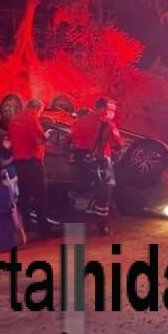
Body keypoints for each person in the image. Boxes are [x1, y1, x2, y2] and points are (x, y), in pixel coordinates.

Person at [70, 97, 124, 236]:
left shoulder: (79, 121)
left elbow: (71, 138)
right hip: (101, 162)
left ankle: (79, 221)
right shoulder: (107, 124)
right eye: (112, 110)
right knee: (104, 194)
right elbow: (117, 144)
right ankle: (102, 227)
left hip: (82, 161)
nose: (113, 113)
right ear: (104, 109)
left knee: (84, 190)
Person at [8, 98, 59, 235]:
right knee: (40, 193)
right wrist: (46, 135)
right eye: (40, 112)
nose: (40, 114)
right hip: (33, 161)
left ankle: (26, 223)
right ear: (36, 109)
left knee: (24, 193)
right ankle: (43, 225)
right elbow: (39, 140)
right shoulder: (32, 118)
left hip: (19, 162)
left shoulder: (14, 119)